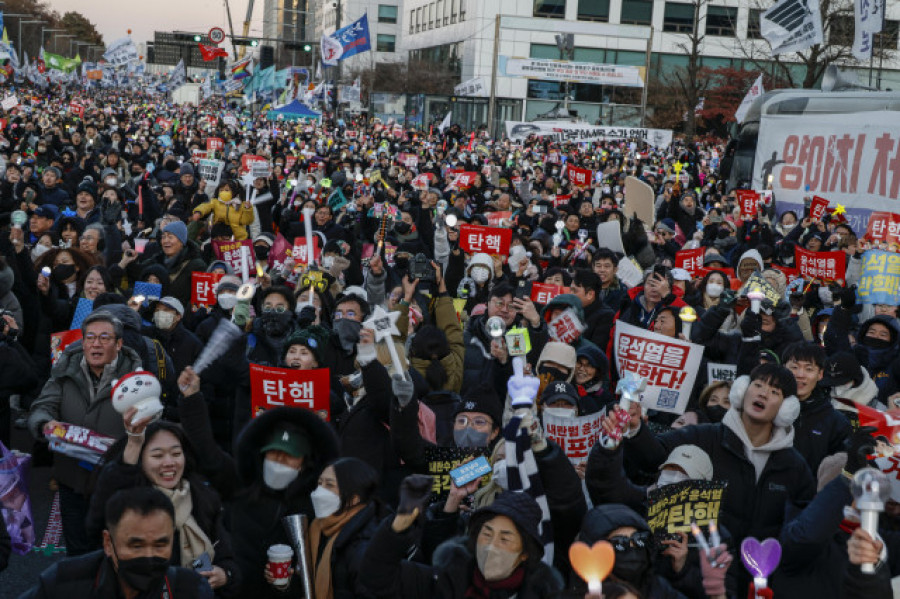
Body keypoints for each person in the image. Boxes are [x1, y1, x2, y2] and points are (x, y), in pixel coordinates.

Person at [612, 363, 815, 594]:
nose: (762, 393)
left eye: (774, 392)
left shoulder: (793, 465)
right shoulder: (705, 436)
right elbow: (654, 457)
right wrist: (636, 429)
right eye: (757, 385)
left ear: (786, 408)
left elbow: (804, 523)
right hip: (699, 574)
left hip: (758, 581)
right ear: (741, 390)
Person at [87, 396, 240, 596]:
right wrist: (133, 444)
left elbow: (228, 557)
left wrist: (225, 574)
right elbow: (95, 525)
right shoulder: (128, 502)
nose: (169, 462)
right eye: (157, 456)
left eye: (176, 454)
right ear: (141, 460)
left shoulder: (203, 497)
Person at [28, 311, 143, 556]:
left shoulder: (137, 379)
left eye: (104, 338)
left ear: (119, 344)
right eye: (90, 337)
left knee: (114, 555)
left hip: (115, 484)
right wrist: (44, 424)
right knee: (78, 557)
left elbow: (151, 425)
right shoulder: (64, 370)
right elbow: (42, 406)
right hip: (72, 481)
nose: (96, 344)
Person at [360, 490, 564, 598]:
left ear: (524, 553)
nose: (491, 546)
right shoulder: (443, 580)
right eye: (487, 533)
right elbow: (376, 576)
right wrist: (398, 527)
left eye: (505, 539)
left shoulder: (543, 593)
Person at [19, 487, 213, 599]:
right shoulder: (63, 583)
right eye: (136, 546)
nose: (148, 556)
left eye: (160, 545)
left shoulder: (191, 590)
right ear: (107, 543)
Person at [228, 406, 340, 598]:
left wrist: (289, 584)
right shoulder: (241, 496)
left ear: (305, 463)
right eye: (273, 453)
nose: (280, 461)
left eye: (290, 456)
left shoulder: (316, 510)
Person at [284, 457, 385, 599]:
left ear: (353, 499)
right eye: (319, 483)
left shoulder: (365, 545)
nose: (319, 492)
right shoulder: (317, 530)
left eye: (329, 485)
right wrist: (286, 583)